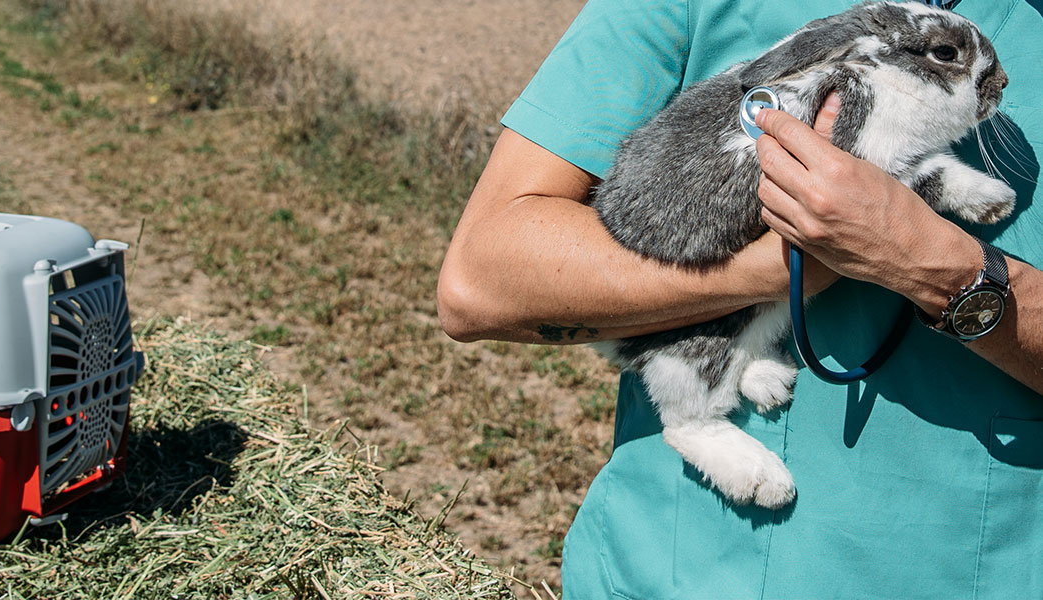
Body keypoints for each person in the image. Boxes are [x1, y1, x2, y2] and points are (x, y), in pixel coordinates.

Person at [437, 0, 1043, 597]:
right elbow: (481, 283)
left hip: (961, 569)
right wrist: (774, 270)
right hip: (676, 567)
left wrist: (938, 269)